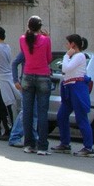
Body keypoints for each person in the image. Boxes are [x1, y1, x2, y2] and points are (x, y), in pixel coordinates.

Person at [51, 34, 94, 157]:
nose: (66, 46)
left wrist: (66, 55)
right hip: (69, 88)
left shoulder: (79, 56)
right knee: (61, 115)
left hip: (78, 88)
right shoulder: (74, 57)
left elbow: (66, 68)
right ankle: (65, 143)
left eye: (67, 43)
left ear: (73, 45)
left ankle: (88, 147)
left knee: (81, 118)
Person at [20, 15, 53, 155]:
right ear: (40, 27)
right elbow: (49, 59)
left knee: (27, 111)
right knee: (42, 112)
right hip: (43, 75)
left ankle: (29, 144)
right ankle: (42, 146)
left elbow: (24, 55)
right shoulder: (46, 40)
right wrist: (45, 37)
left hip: (27, 75)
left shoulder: (22, 39)